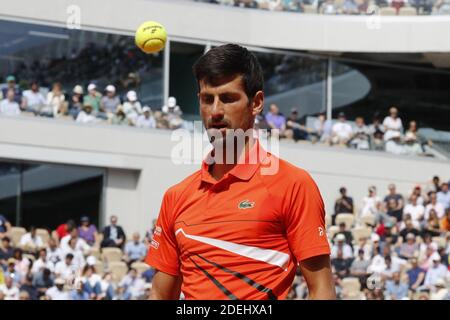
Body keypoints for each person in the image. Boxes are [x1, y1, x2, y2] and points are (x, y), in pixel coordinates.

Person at [146, 44, 335, 300]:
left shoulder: (293, 184)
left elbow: (322, 290)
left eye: (228, 98)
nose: (215, 111)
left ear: (256, 103)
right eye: (206, 99)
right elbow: (160, 295)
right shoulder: (175, 197)